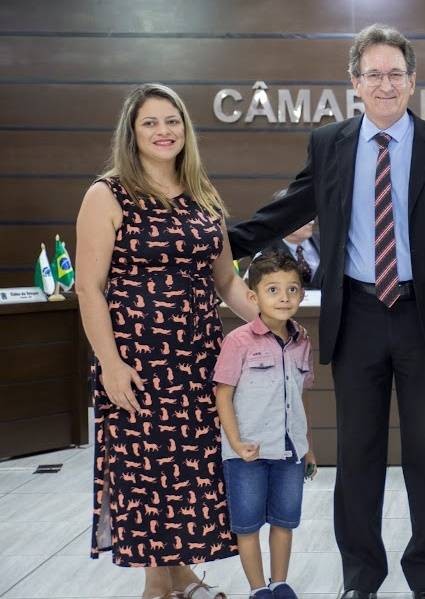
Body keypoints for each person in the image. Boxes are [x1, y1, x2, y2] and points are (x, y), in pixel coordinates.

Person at [227, 23, 425, 599]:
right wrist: (221, 242)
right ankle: (360, 579)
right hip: (357, 315)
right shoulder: (330, 143)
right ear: (354, 84)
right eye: (373, 74)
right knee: (357, 458)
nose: (384, 84)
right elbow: (288, 209)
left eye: (395, 73)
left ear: (413, 82)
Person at [76, 83, 259, 599]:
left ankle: (182, 578)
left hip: (198, 360)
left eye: (172, 121)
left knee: (188, 472)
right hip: (136, 363)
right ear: (131, 133)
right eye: (150, 123)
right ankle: (159, 587)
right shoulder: (106, 194)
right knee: (146, 475)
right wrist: (110, 364)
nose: (163, 131)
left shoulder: (202, 194)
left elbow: (226, 282)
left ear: (186, 130)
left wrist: (272, 326)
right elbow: (88, 289)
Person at [214, 251, 317, 599]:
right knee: (247, 526)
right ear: (253, 297)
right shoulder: (237, 341)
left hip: (290, 451)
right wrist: (236, 442)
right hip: (247, 453)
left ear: (302, 295)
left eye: (292, 289)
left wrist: (308, 446)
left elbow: (297, 399)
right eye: (273, 290)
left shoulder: (302, 341)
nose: (284, 297)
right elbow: (223, 396)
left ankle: (280, 582)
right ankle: (258, 588)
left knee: (285, 522)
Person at [262, 219, 322, 289]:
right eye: (305, 219)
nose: (311, 222)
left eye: (311, 218)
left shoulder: (326, 241)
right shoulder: (265, 251)